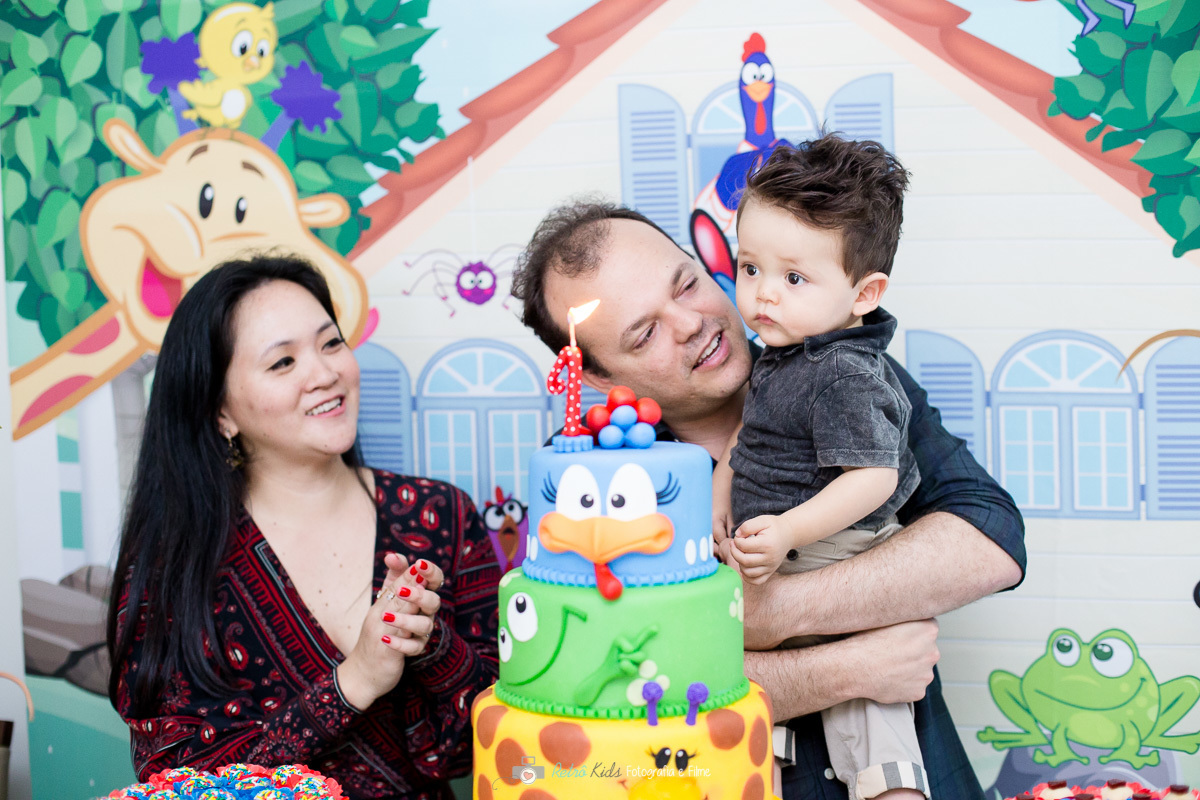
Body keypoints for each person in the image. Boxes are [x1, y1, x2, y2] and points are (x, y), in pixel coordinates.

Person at [512, 198, 1026, 800]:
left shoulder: (841, 368)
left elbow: (988, 538)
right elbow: (597, 689)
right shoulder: (582, 478)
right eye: (646, 333)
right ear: (597, 376)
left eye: (686, 285)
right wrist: (843, 670)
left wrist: (775, 611)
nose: (689, 324)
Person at [106, 253, 500, 800]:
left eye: (331, 342)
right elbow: (177, 782)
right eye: (282, 363)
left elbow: (481, 749)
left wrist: (430, 644)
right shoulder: (177, 563)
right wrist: (354, 681)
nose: (324, 373)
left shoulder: (440, 516)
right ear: (222, 413)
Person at [711, 137, 924, 800]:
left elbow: (873, 478)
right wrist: (725, 488)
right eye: (749, 269)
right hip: (778, 549)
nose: (763, 295)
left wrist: (788, 533)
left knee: (867, 712)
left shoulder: (843, 373)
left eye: (793, 278)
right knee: (755, 707)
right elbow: (752, 435)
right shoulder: (782, 351)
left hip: (835, 551)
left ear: (865, 293)